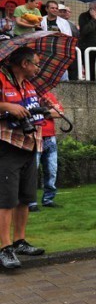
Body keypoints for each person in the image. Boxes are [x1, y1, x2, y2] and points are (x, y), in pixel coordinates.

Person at [0, 47, 47, 269]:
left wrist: (46, 110)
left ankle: (20, 241)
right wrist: (6, 106)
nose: (38, 68)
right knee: (6, 199)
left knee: (25, 197)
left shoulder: (29, 85)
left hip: (30, 145)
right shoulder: (1, 79)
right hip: (7, 145)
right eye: (36, 64)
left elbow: (30, 109)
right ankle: (5, 248)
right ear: (24, 64)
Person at [27, 92, 64, 212]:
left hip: (50, 138)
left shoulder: (47, 95)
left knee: (52, 170)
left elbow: (60, 113)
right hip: (34, 137)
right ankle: (30, 202)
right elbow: (28, 114)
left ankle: (48, 199)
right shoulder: (28, 96)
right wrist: (47, 112)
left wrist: (42, 112)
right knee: (32, 171)